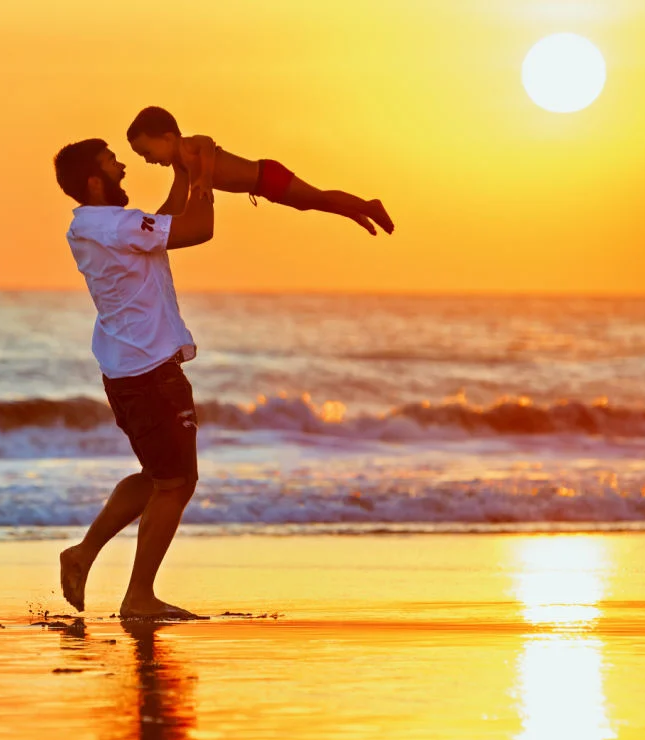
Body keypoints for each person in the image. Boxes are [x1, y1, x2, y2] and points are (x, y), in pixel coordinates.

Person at [53, 137, 212, 620]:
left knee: (159, 477)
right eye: (112, 163)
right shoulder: (115, 224)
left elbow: (161, 223)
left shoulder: (93, 226)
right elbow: (197, 229)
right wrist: (204, 171)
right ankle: (138, 595)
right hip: (149, 373)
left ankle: (81, 555)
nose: (123, 167)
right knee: (177, 483)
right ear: (95, 181)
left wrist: (181, 176)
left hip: (126, 371)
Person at [126, 105, 394, 235]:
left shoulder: (190, 147)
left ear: (167, 138)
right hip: (264, 187)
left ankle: (369, 206)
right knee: (312, 203)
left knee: (319, 197)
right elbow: (174, 204)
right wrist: (144, 228)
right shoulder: (181, 168)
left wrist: (206, 178)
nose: (147, 160)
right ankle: (356, 213)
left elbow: (208, 143)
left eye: (147, 152)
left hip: (267, 175)